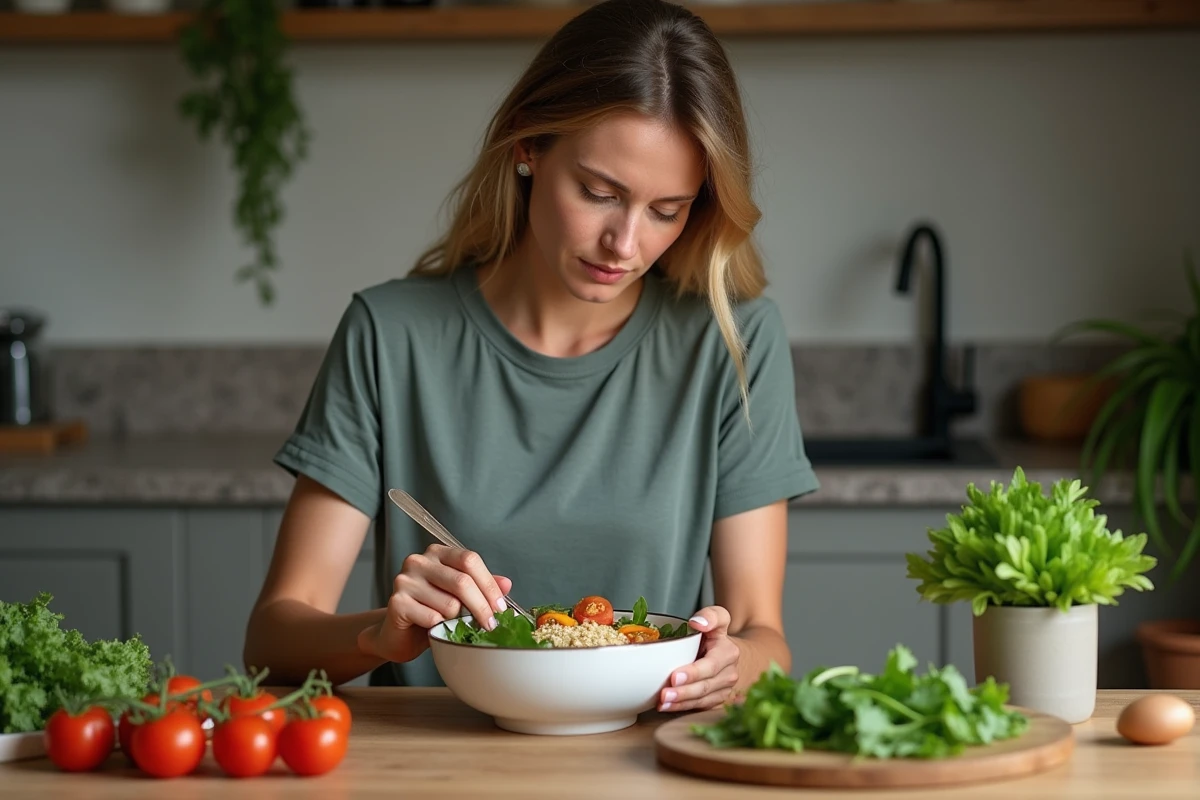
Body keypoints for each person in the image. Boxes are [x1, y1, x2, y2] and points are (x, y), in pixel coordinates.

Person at [244, 0, 819, 714]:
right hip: (433, 764)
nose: (626, 243)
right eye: (599, 193)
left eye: (667, 210)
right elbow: (272, 638)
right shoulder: (389, 334)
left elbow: (765, 636)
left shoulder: (733, 342)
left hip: (642, 763)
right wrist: (377, 637)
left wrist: (733, 665)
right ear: (527, 148)